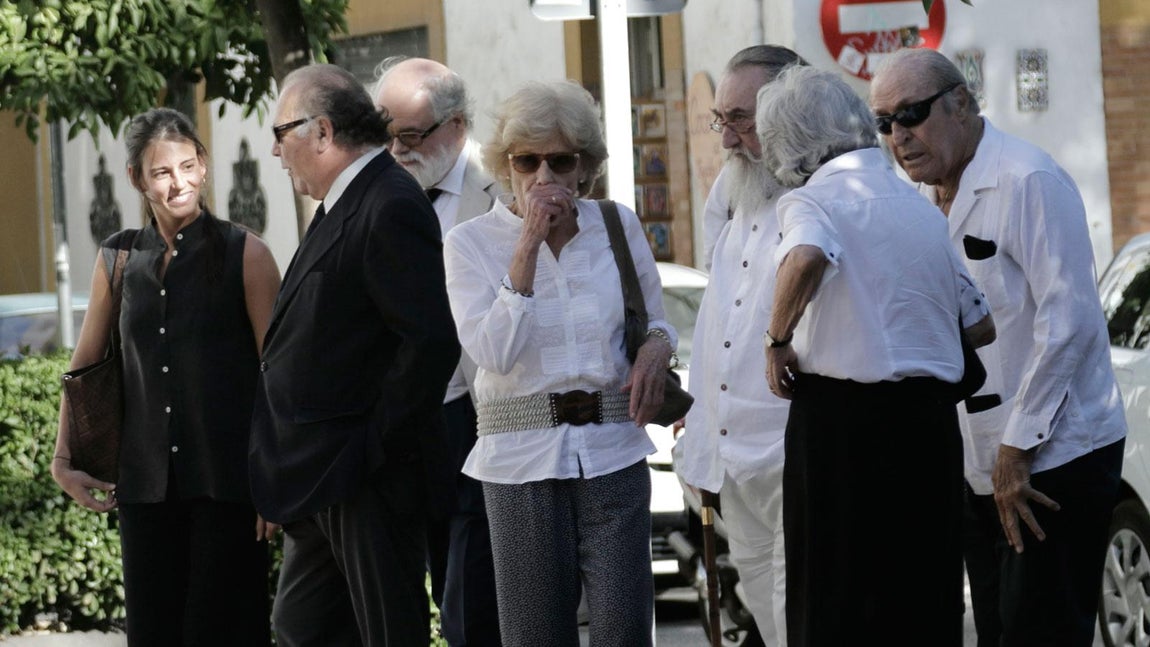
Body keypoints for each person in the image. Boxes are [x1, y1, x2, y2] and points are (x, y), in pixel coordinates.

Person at [871, 48, 1127, 647]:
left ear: (961, 102)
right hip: (975, 460)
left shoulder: (1027, 178)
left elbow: (1070, 321)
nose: (898, 136)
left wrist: (1016, 449)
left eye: (910, 114)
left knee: (1041, 632)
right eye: (883, 123)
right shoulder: (914, 198)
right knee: (995, 630)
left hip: (1053, 453)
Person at [758, 65, 994, 647]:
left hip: (841, 431)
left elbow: (806, 257)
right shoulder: (919, 208)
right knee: (923, 603)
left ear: (788, 146)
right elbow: (982, 325)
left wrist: (777, 339)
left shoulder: (811, 200)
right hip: (928, 429)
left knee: (833, 606)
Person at [442, 80, 675, 646]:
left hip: (614, 450)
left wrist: (655, 349)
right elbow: (491, 353)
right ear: (506, 164)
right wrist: (526, 246)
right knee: (535, 635)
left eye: (561, 160)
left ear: (585, 167)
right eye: (527, 161)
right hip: (519, 462)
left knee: (625, 631)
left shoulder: (617, 224)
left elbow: (659, 322)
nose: (543, 177)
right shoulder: (469, 243)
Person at [50, 107, 282, 646]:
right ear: (136, 178)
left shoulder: (246, 253)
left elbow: (277, 377)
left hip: (228, 490)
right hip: (145, 491)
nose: (177, 182)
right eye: (161, 172)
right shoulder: (117, 258)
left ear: (203, 166)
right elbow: (85, 365)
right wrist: (64, 460)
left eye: (186, 166)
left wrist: (274, 483)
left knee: (224, 632)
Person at [248, 64, 460, 646]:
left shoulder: (388, 200)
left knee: (389, 632)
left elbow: (430, 342)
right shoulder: (348, 201)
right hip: (321, 479)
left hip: (365, 478)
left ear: (321, 132)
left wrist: (370, 449)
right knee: (300, 630)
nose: (274, 150)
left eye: (281, 132)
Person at [672, 44, 805, 647]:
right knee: (763, 609)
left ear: (791, 108)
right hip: (732, 455)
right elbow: (718, 321)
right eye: (719, 119)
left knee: (800, 611)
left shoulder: (825, 195)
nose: (726, 139)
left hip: (793, 449)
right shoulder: (731, 191)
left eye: (741, 120)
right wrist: (699, 431)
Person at [372, 56, 503, 647]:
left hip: (480, 416)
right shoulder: (373, 199)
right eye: (386, 135)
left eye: (409, 135)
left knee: (470, 603)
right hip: (404, 422)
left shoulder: (501, 194)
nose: (396, 150)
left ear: (457, 126)